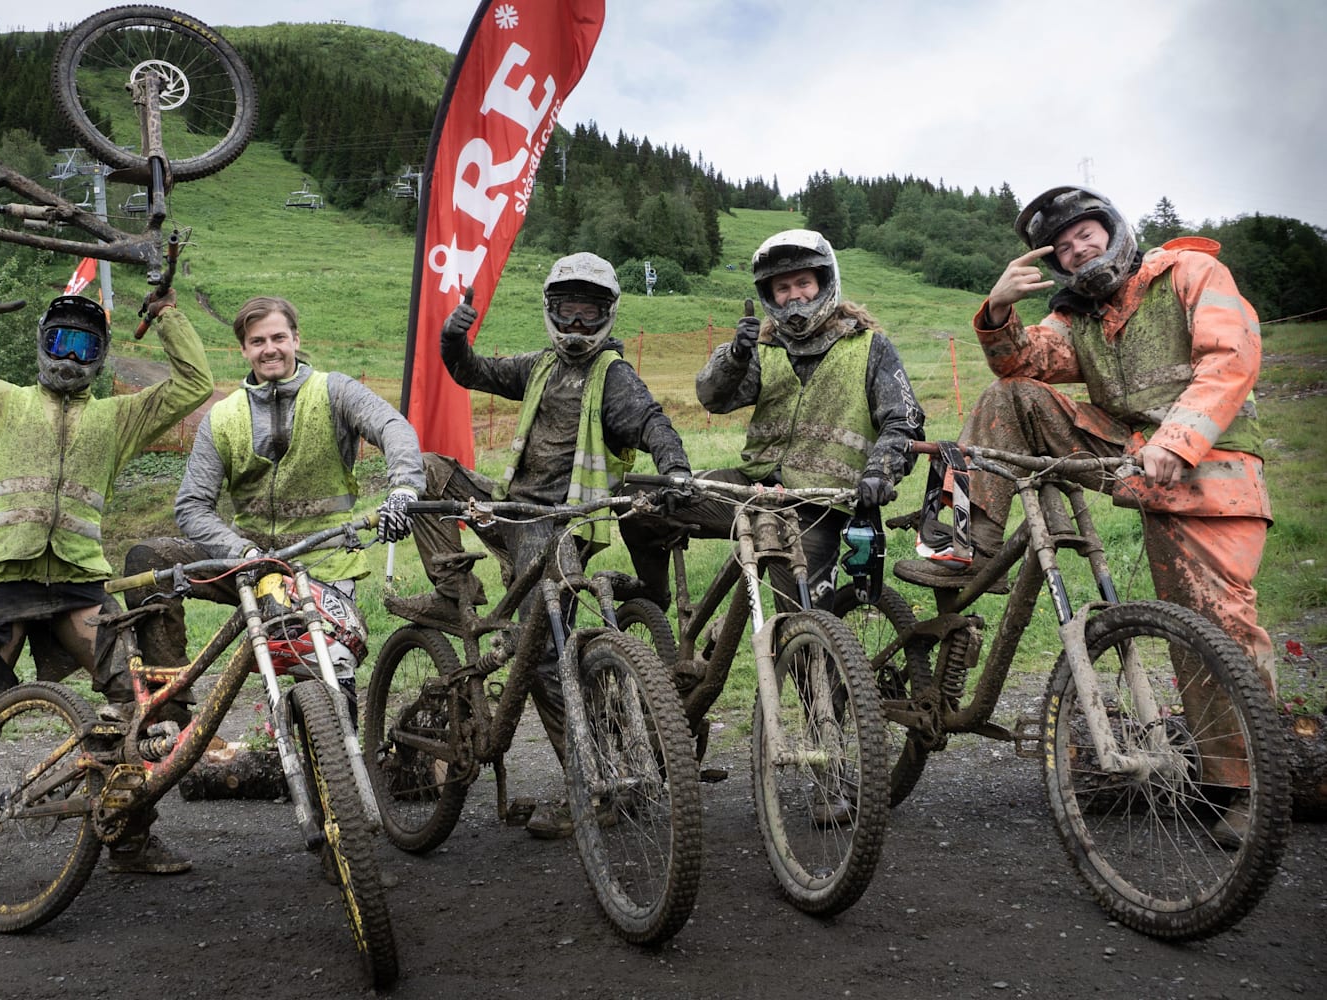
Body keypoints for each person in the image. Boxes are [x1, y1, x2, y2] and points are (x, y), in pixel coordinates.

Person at [895, 185, 1274, 846]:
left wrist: (1176, 441)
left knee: (1218, 625)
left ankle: (1245, 787)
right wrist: (998, 310)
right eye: (1064, 247)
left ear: (1112, 229)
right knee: (1009, 394)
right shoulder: (1082, 316)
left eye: (1085, 234)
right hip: (1130, 457)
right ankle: (966, 541)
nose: (1077, 249)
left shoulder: (1189, 272)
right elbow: (1026, 364)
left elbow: (1231, 357)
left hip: (1213, 472)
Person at [0, 251, 215, 910]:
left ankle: (127, 840)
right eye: (60, 339)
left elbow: (192, 384)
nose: (69, 355)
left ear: (98, 356)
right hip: (1, 586)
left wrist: (170, 314)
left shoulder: (114, 419)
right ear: (41, 343)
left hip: (76, 586)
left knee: (134, 703)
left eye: (83, 343)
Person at [397, 251, 692, 838]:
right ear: (551, 313)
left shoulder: (614, 377)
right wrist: (452, 343)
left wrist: (676, 466)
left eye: (589, 315)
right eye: (568, 312)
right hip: (510, 505)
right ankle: (454, 586)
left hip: (559, 524)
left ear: (607, 316)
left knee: (539, 655)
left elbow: (654, 422)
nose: (578, 327)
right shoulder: (539, 366)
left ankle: (594, 785)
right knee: (428, 472)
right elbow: (473, 372)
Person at [121, 295, 426, 728]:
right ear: (244, 349)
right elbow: (191, 504)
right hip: (246, 562)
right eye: (257, 340)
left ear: (296, 339)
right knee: (150, 560)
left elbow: (392, 426)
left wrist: (404, 489)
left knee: (328, 676)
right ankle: (170, 723)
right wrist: (240, 550)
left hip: (323, 561)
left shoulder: (334, 391)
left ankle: (340, 758)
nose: (270, 348)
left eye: (279, 337)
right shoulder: (222, 417)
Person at [682, 228, 925, 611]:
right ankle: (652, 598)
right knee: (652, 504)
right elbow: (713, 399)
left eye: (803, 283)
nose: (794, 295)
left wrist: (880, 472)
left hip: (819, 505)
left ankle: (809, 659)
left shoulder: (869, 347)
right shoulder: (764, 348)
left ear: (825, 282)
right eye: (782, 288)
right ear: (769, 295)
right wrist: (735, 357)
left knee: (804, 630)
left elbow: (904, 421)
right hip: (751, 490)